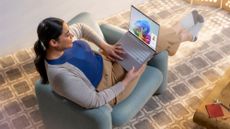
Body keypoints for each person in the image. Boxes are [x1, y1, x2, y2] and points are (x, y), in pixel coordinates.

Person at [34, 10, 204, 109]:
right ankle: (183, 35)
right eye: (67, 34)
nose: (71, 33)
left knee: (144, 34)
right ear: (53, 42)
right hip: (110, 84)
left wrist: (106, 46)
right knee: (148, 45)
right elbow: (95, 101)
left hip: (106, 58)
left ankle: (180, 35)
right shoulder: (61, 75)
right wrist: (125, 82)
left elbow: (81, 28)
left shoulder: (61, 44)